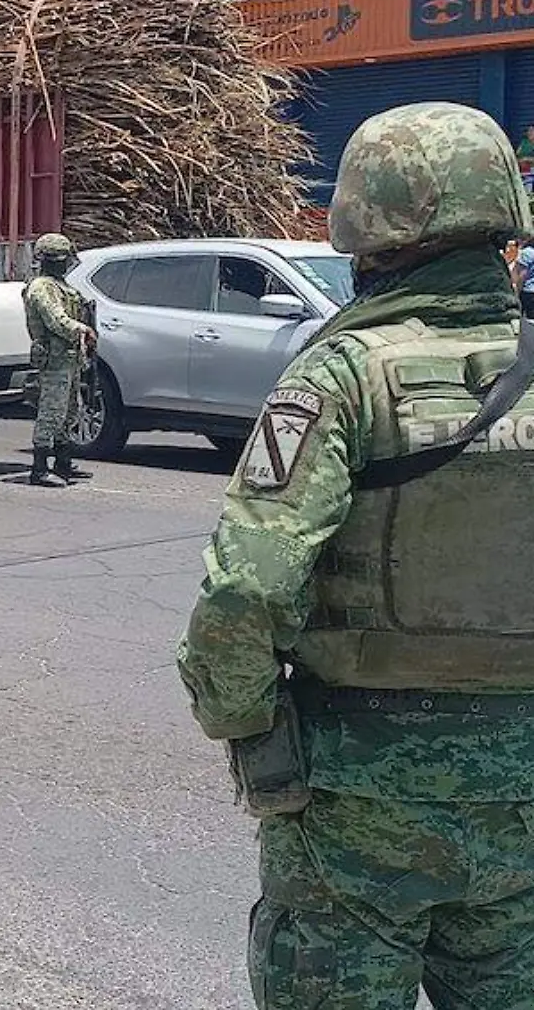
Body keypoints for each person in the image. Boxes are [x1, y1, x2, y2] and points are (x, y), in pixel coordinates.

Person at [179, 101, 534, 1010]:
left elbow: (242, 600)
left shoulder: (338, 377)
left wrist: (256, 738)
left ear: (364, 232)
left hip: (356, 800)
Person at [22, 233, 97, 487]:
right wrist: (81, 330)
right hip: (53, 359)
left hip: (70, 357)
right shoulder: (41, 287)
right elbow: (55, 319)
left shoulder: (60, 285)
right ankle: (39, 468)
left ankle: (63, 463)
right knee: (51, 412)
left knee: (70, 410)